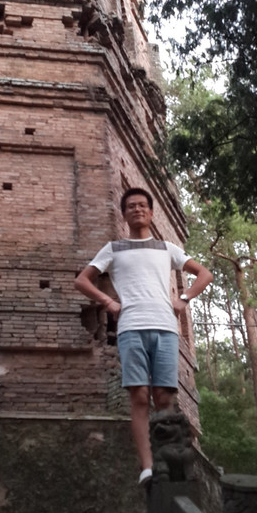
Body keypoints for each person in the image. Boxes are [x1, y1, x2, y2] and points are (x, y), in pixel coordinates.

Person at [74, 187, 213, 484]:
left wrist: (184, 299)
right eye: (131, 206)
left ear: (150, 212)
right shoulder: (114, 249)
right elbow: (82, 280)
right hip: (131, 328)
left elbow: (204, 274)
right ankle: (148, 467)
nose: (137, 210)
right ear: (124, 214)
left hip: (165, 327)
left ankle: (167, 460)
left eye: (142, 206)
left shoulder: (167, 249)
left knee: (163, 396)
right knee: (138, 396)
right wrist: (109, 302)